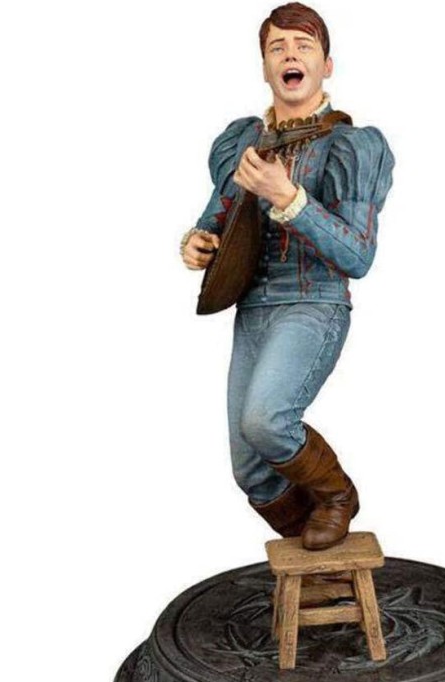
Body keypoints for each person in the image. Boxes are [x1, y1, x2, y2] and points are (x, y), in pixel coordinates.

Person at [180, 2, 394, 550]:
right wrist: (199, 240)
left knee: (267, 420)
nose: (290, 55)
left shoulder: (350, 146)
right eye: (278, 47)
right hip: (252, 306)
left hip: (312, 301)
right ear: (265, 67)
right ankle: (319, 564)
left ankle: (337, 496)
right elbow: (218, 213)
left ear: (326, 65)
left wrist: (288, 197)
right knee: (251, 468)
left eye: (303, 46)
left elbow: (357, 255)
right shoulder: (243, 141)